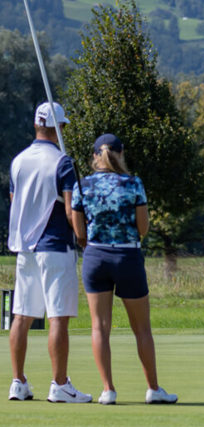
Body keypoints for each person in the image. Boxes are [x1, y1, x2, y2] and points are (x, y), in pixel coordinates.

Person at [70, 133, 176, 405]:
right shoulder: (133, 184)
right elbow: (142, 228)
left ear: (95, 156)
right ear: (121, 153)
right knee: (141, 329)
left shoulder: (82, 185)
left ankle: (108, 390)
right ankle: (153, 389)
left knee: (99, 327)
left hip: (95, 257)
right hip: (127, 257)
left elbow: (79, 231)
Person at [7, 102, 92, 403]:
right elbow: (71, 209)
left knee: (21, 316)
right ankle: (59, 384)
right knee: (58, 317)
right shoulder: (63, 162)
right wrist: (83, 238)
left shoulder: (17, 162)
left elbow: (15, 200)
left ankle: (18, 382)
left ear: (35, 125)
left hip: (24, 249)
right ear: (60, 128)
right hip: (55, 245)